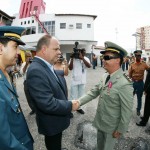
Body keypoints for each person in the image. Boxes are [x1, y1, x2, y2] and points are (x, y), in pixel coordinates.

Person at [73, 41, 133, 150]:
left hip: (112, 128)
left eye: (106, 57)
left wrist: (120, 129)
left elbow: (127, 110)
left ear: (117, 60)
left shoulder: (124, 83)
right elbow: (93, 92)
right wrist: (78, 102)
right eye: (102, 57)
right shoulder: (105, 76)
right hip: (100, 122)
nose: (103, 60)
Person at [26, 34, 78, 150]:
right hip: (51, 124)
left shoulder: (45, 66)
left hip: (55, 121)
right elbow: (47, 103)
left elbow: (54, 77)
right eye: (56, 49)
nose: (59, 52)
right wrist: (70, 105)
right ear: (44, 49)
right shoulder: (36, 70)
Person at [0, 26, 34, 150]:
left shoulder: (5, 74)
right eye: (15, 46)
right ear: (0, 48)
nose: (19, 52)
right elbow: (4, 140)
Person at [68, 48, 91, 115]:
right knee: (73, 96)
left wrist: (82, 59)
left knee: (81, 96)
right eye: (83, 52)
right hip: (74, 80)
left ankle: (79, 108)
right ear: (79, 52)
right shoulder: (73, 59)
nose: (85, 53)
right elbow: (70, 68)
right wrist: (72, 58)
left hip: (82, 81)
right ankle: (71, 110)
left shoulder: (86, 59)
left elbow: (89, 66)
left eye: (85, 52)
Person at [128, 50, 150, 116]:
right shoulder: (132, 64)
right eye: (137, 56)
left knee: (139, 98)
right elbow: (129, 75)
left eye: (139, 56)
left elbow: (149, 70)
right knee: (130, 97)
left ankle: (138, 110)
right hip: (133, 83)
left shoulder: (144, 64)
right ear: (135, 56)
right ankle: (128, 109)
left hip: (140, 84)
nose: (138, 57)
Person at [20, 51, 35, 115]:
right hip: (26, 82)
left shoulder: (34, 63)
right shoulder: (23, 64)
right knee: (28, 97)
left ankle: (38, 109)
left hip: (34, 82)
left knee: (35, 96)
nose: (29, 58)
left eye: (30, 56)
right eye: (28, 56)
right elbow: (21, 73)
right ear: (25, 57)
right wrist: (26, 64)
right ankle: (33, 109)